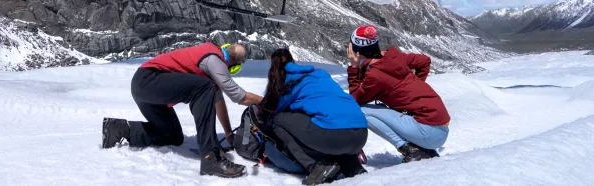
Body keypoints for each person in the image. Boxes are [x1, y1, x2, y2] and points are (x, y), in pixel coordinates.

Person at [101, 42, 263, 178]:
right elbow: (237, 96)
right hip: (149, 81)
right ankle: (210, 158)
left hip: (142, 85)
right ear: (234, 66)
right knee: (203, 87)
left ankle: (120, 129)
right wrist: (266, 102)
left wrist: (228, 134)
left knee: (173, 136)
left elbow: (218, 101)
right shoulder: (215, 61)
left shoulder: (211, 60)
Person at [261, 48, 368, 185]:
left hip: (336, 135)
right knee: (326, 122)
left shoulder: (286, 81)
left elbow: (274, 111)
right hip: (361, 134)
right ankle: (352, 166)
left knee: (278, 121)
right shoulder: (320, 73)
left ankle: (316, 166)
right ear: (295, 61)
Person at [346, 25, 451, 162]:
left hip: (429, 133)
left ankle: (410, 151)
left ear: (356, 51)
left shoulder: (374, 75)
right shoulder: (393, 57)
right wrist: (414, 89)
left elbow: (355, 100)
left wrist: (354, 67)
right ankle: (421, 147)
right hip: (440, 127)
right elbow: (424, 61)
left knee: (362, 111)